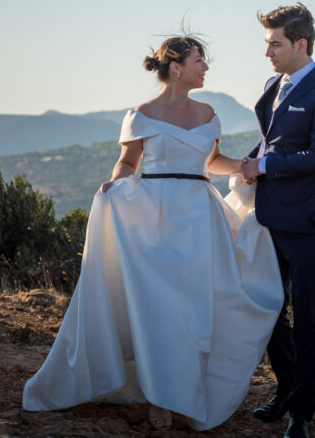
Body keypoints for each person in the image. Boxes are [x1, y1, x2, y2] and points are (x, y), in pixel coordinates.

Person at [22, 35, 284, 432]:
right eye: (200, 60)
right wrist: (115, 186)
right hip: (154, 216)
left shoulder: (210, 113)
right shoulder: (140, 114)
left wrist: (253, 167)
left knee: (195, 309)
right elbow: (127, 163)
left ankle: (187, 393)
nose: (206, 67)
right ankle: (160, 398)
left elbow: (213, 162)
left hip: (200, 218)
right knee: (160, 310)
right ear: (176, 66)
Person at [240, 3, 315, 438]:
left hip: (307, 222)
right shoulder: (274, 84)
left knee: (307, 318)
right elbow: (272, 140)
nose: (268, 52)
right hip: (267, 216)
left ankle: (301, 414)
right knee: (266, 309)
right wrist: (246, 163)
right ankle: (286, 388)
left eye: (275, 44)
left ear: (300, 44)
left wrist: (263, 167)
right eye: (267, 43)